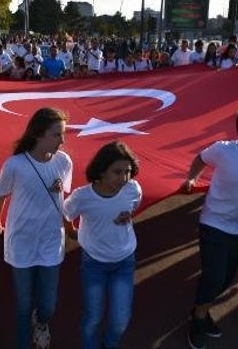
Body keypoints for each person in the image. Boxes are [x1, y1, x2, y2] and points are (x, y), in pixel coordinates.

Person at [182, 104, 238, 349]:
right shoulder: (224, 150)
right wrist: (192, 178)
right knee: (214, 276)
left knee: (227, 277)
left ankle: (202, 307)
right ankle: (198, 320)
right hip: (215, 224)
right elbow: (200, 159)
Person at [0, 107, 73, 349]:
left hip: (50, 240)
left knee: (48, 304)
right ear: (39, 134)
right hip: (21, 241)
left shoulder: (64, 161)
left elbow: (61, 199)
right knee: (24, 305)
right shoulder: (15, 165)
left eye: (63, 134)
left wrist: (69, 226)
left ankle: (42, 322)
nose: (62, 140)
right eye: (57, 134)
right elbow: (1, 193)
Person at [63, 141, 141, 349]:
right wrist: (71, 232)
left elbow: (133, 204)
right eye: (117, 172)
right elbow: (66, 212)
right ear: (102, 170)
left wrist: (128, 214)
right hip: (94, 264)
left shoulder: (132, 189)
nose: (124, 178)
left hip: (125, 262)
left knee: (121, 319)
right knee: (93, 318)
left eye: (128, 171)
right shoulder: (83, 196)